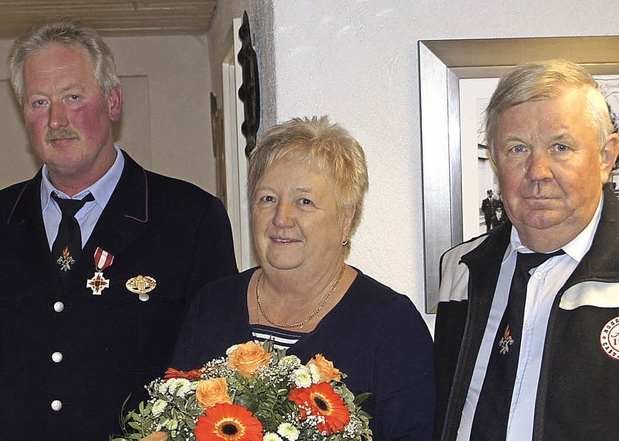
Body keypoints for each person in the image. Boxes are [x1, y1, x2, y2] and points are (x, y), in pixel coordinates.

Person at [0, 19, 237, 440]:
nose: (56, 119)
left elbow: (216, 378)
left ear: (113, 102)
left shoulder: (190, 219)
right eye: (39, 102)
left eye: (73, 97)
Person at [172, 116, 436, 440]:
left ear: (345, 220)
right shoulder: (212, 305)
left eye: (305, 201)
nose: (281, 218)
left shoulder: (392, 326)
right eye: (268, 198)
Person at [434, 59, 619, 441]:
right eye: (518, 148)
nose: (538, 171)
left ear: (605, 158)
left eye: (561, 147)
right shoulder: (462, 269)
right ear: (497, 161)